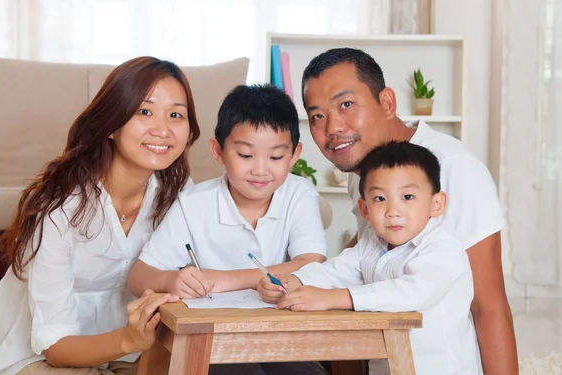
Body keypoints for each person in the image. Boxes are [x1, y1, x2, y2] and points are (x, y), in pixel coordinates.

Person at [291, 47, 518, 374]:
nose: (332, 128)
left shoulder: (454, 169)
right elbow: (360, 263)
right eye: (317, 116)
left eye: (346, 105)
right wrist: (295, 280)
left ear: (386, 102)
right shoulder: (365, 173)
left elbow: (489, 306)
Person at [0, 56, 200, 375]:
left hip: (135, 345)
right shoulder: (58, 205)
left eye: (176, 114)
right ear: (112, 124)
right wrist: (129, 340)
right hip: (43, 350)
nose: (162, 129)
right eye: (144, 111)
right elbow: (55, 347)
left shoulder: (178, 192)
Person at [128, 84, 329, 375]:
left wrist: (223, 280)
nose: (261, 170)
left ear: (295, 154)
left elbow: (313, 263)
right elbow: (137, 278)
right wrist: (172, 280)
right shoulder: (193, 204)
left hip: (280, 334)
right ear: (218, 151)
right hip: (211, 337)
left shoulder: (299, 194)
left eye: (275, 157)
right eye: (245, 156)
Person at [260, 141, 480, 374]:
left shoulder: (443, 248)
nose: (393, 211)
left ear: (436, 204)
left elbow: (412, 292)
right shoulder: (372, 243)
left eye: (407, 197)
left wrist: (333, 298)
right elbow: (336, 270)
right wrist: (295, 280)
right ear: (364, 209)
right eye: (380, 199)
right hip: (387, 366)